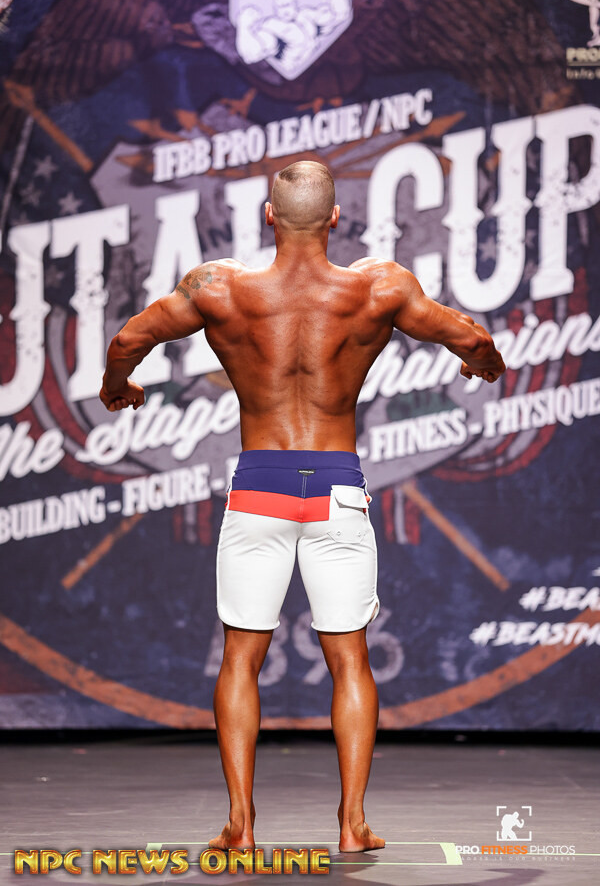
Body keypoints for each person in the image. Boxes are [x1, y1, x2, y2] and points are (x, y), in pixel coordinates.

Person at [100, 160, 505, 853]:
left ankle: (241, 825)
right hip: (336, 488)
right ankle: (352, 824)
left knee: (240, 659)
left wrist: (119, 388)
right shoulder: (379, 287)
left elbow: (126, 341)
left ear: (268, 215)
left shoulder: (217, 287)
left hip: (260, 485)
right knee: (350, 661)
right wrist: (481, 366)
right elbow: (476, 343)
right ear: (335, 218)